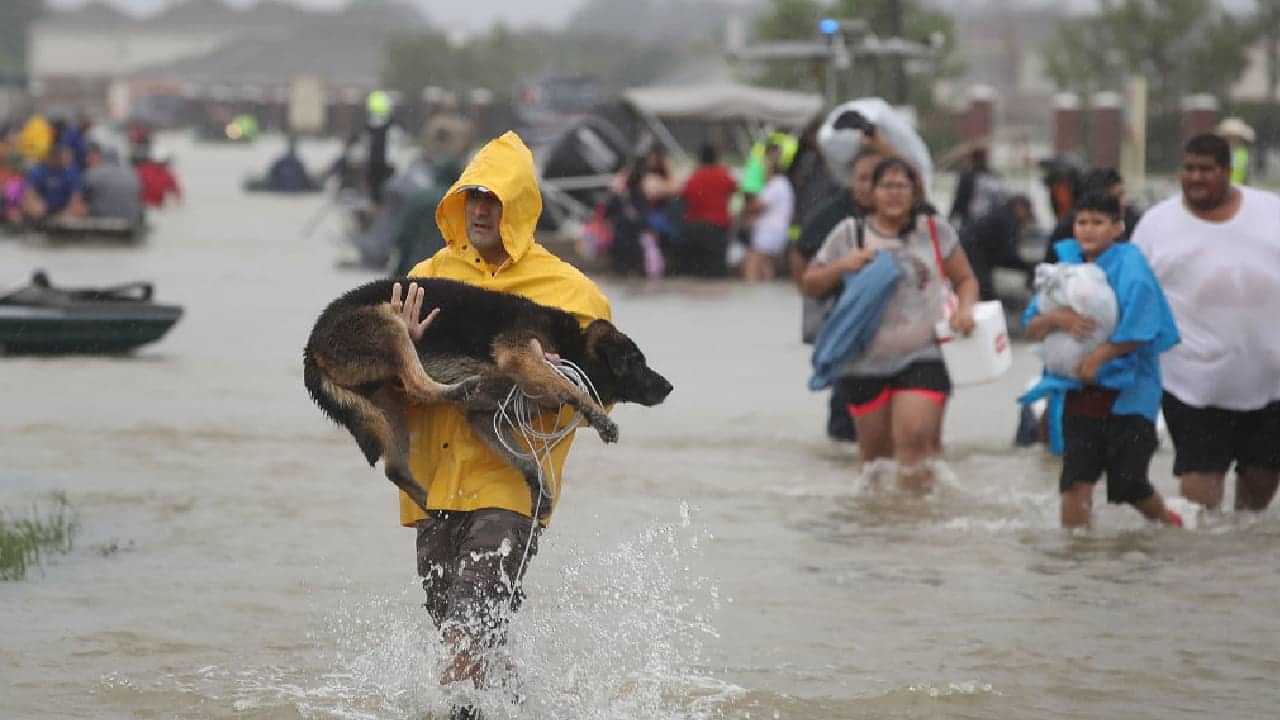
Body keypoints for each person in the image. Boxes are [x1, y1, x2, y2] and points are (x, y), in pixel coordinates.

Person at [393, 131, 611, 720]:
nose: (482, 210)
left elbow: (603, 392)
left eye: (495, 199)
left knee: (463, 640)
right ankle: (515, 709)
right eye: (473, 197)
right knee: (471, 641)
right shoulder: (426, 277)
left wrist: (544, 374)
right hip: (432, 488)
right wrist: (404, 353)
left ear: (520, 207)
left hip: (513, 490)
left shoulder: (568, 292)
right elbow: (385, 391)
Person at [801, 156, 979, 492]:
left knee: (914, 442)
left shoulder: (935, 230)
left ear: (915, 192)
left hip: (924, 354)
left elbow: (966, 279)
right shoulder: (849, 233)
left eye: (902, 186)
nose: (894, 194)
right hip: (863, 361)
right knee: (875, 462)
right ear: (871, 192)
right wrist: (843, 265)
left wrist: (964, 310)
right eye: (886, 186)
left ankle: (914, 526)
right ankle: (878, 531)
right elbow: (811, 284)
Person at [1132, 133, 1280, 512]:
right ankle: (1202, 565)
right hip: (1191, 381)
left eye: (1206, 170)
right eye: (1189, 168)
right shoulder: (1155, 225)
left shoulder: (1271, 212)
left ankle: (1237, 566)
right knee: (1200, 489)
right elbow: (1131, 297)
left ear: (1228, 172)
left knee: (1261, 485)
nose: (1195, 178)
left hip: (1269, 379)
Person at [1023, 192, 1184, 528]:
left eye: (1098, 222)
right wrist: (1058, 320)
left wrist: (1100, 356)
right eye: (1082, 222)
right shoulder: (1063, 268)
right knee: (1074, 482)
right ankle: (1075, 561)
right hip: (1079, 392)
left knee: (1129, 485)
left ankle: (1170, 524)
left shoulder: (1131, 266)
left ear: (1117, 227)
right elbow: (1031, 326)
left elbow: (1144, 325)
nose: (1088, 230)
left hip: (1130, 395)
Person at [791, 148, 884, 443]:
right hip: (843, 318)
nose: (867, 186)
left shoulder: (902, 216)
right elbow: (801, 251)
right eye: (862, 178)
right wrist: (811, 294)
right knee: (846, 402)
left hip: (888, 327)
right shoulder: (836, 214)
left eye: (875, 179)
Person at [1045, 167, 1141, 263]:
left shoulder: (1134, 223)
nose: (1088, 229)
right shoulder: (1064, 235)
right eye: (1082, 223)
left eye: (1122, 195)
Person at [961, 194, 1035, 302]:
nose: (1026, 217)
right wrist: (1027, 266)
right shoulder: (1008, 220)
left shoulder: (1002, 214)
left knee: (981, 288)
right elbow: (1009, 254)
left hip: (973, 249)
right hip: (974, 251)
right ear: (1019, 207)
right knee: (985, 290)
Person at [678, 144, 737, 277]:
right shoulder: (723, 174)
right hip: (717, 228)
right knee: (716, 272)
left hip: (694, 228)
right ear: (716, 158)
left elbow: (684, 195)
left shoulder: (694, 176)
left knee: (696, 271)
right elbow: (735, 188)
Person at [742, 144, 794, 282]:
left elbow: (757, 206)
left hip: (769, 231)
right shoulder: (782, 184)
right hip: (776, 231)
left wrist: (745, 206)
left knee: (752, 262)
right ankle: (766, 294)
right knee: (767, 266)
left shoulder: (777, 184)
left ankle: (751, 293)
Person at [83, 143, 143, 225]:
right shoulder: (133, 174)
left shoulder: (92, 173)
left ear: (102, 157)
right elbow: (139, 198)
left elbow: (80, 200)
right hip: (130, 223)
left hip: (102, 223)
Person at [22, 144, 87, 221]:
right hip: (43, 208)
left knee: (81, 209)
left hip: (64, 209)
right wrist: (35, 204)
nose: (57, 159)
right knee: (29, 205)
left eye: (59, 156)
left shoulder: (71, 173)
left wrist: (69, 210)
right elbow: (30, 193)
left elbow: (76, 195)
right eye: (54, 156)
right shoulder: (38, 171)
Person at [948, 146, 1004, 232]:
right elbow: (1000, 200)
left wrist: (950, 218)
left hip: (972, 221)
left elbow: (959, 199)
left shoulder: (967, 177)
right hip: (990, 220)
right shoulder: (994, 177)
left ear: (972, 160)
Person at [366, 90, 395, 204]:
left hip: (375, 163)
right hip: (383, 164)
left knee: (377, 190)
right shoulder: (390, 127)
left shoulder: (370, 127)